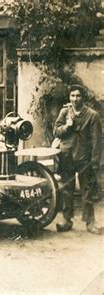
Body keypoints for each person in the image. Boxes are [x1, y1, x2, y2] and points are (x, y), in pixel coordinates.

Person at [54, 84, 102, 234]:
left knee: (87, 189)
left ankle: (90, 222)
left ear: (83, 97)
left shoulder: (92, 115)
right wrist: (67, 127)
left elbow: (97, 141)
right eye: (72, 96)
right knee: (67, 189)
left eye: (78, 96)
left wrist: (95, 162)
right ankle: (67, 220)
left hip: (84, 157)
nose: (75, 99)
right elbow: (56, 130)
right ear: (69, 97)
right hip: (66, 156)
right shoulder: (64, 112)